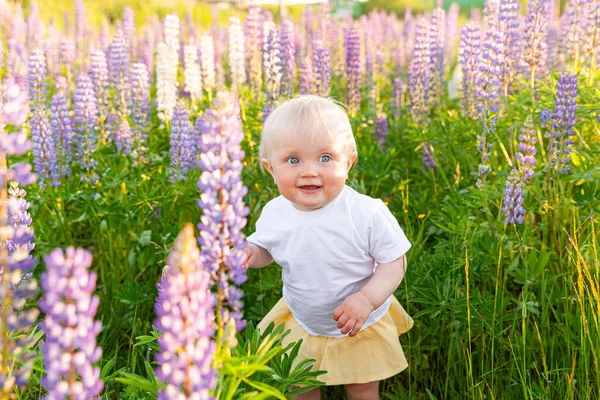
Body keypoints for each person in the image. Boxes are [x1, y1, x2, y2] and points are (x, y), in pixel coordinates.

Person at [243, 95, 413, 400]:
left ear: (348, 162)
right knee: (299, 385)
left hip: (359, 320)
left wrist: (366, 299)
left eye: (325, 158)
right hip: (302, 318)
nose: (310, 171)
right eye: (293, 160)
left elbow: (394, 261)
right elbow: (265, 249)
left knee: (362, 388)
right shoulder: (275, 212)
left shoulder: (366, 212)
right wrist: (249, 254)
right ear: (271, 169)